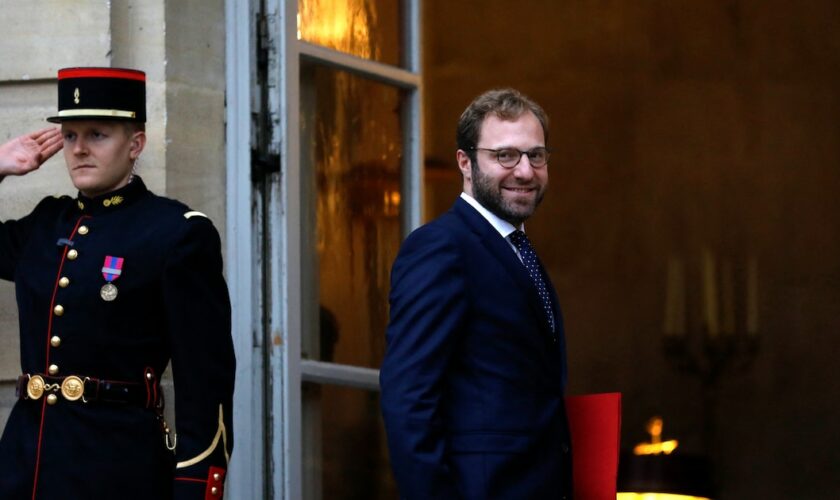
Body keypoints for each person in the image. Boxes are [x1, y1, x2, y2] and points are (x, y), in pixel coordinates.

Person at [0, 67, 235, 500]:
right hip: (24, 467)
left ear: (136, 144)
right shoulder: (46, 223)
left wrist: (196, 484)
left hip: (118, 468)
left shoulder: (176, 233)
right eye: (70, 136)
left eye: (97, 134)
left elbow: (205, 380)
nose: (79, 149)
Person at [380, 88, 572, 499]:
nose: (524, 171)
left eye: (535, 155)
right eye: (505, 155)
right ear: (465, 163)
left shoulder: (518, 250)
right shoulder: (441, 247)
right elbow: (408, 400)